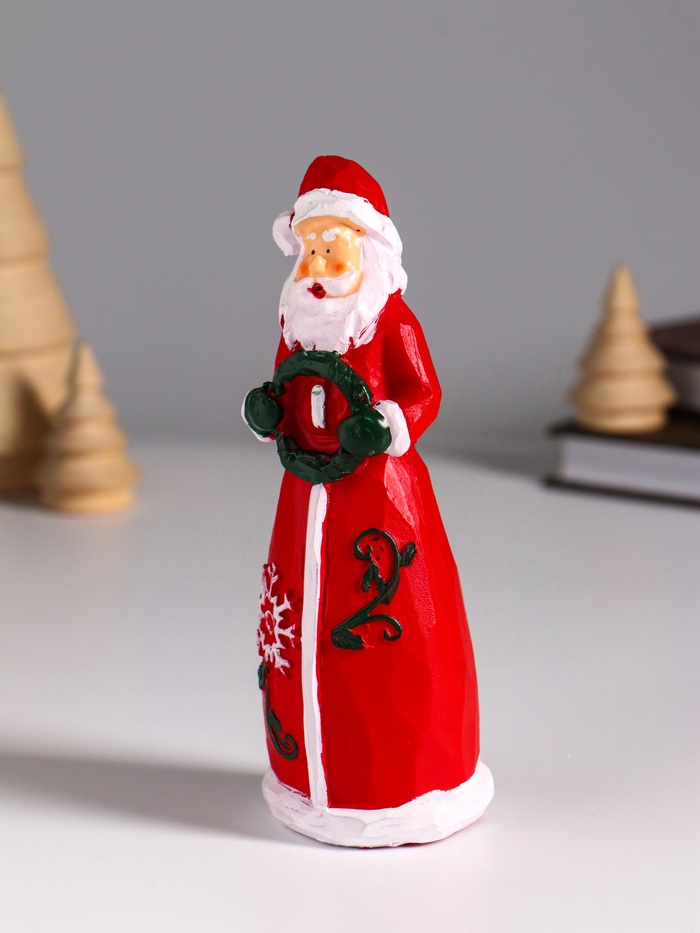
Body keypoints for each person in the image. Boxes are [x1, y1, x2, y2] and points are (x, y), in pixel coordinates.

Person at [244, 155, 493, 847]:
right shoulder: (298, 324)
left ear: (369, 248)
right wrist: (268, 414)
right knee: (297, 622)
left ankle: (406, 785)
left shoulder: (391, 322)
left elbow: (424, 392)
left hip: (382, 502)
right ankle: (305, 776)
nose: (318, 265)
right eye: (309, 250)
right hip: (305, 502)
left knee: (391, 637)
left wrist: (387, 423)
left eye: (333, 247)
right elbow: (285, 388)